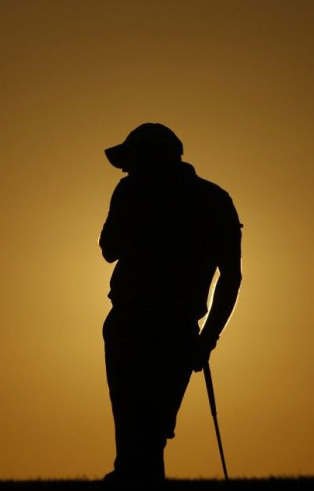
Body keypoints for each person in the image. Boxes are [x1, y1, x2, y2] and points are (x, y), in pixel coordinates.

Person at [99, 123, 243, 481]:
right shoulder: (214, 198)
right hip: (168, 331)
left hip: (141, 326)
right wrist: (206, 339)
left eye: (131, 162)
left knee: (140, 431)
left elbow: (107, 248)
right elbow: (231, 277)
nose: (126, 170)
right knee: (146, 431)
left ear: (150, 159)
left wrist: (207, 339)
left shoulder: (132, 193)